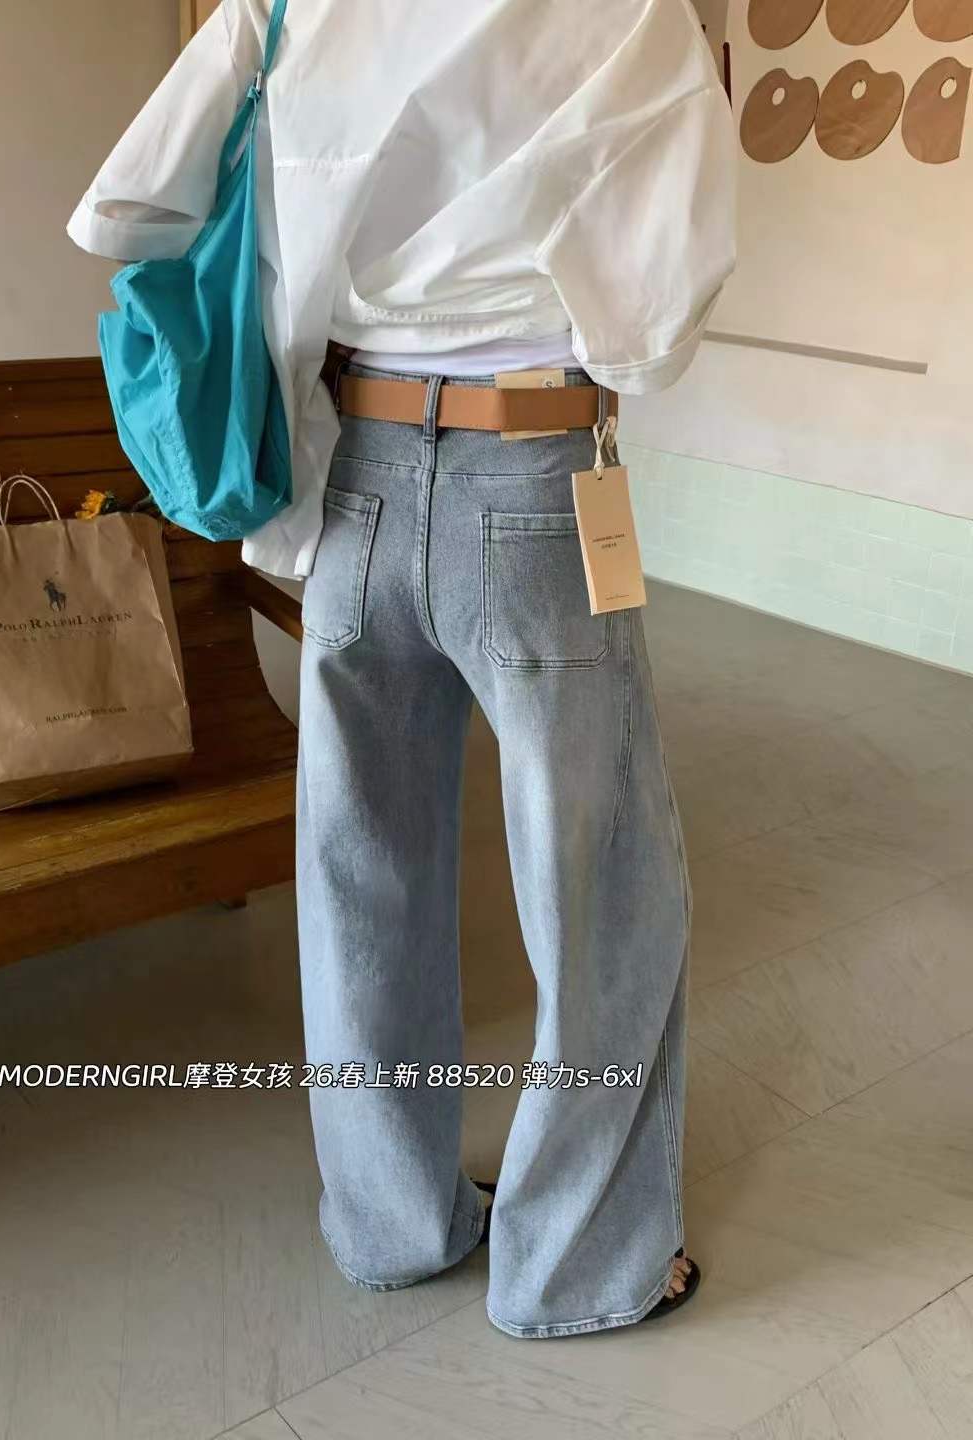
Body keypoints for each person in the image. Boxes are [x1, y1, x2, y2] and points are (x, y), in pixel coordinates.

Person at [68, 0, 736, 1338]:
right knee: (600, 883)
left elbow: (122, 207)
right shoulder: (630, 12)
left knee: (360, 870)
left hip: (356, 482)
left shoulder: (291, 3)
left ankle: (393, 1222)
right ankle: (574, 1267)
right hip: (533, 479)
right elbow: (655, 330)